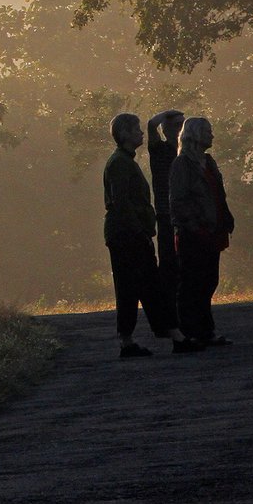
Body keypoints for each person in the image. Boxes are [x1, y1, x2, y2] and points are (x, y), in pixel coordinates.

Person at [103, 113, 193, 357]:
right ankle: (171, 336)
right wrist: (140, 230)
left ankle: (142, 338)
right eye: (136, 130)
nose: (141, 133)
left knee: (138, 286)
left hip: (127, 234)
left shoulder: (124, 161)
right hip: (128, 235)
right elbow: (122, 203)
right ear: (124, 134)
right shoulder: (121, 164)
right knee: (144, 285)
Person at [170, 116, 235, 346]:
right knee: (192, 283)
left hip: (212, 230)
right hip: (193, 233)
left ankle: (204, 329)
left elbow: (218, 192)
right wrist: (194, 224)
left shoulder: (208, 162)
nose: (211, 135)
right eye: (207, 131)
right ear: (195, 134)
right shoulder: (182, 164)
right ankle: (191, 331)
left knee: (209, 280)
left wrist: (225, 216)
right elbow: (178, 200)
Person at [146, 109, 187, 337]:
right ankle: (167, 318)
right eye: (176, 125)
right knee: (169, 266)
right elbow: (151, 126)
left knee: (181, 267)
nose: (181, 128)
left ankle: (178, 316)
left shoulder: (184, 154)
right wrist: (166, 114)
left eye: (183, 124)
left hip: (179, 215)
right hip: (165, 215)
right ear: (167, 129)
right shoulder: (159, 151)